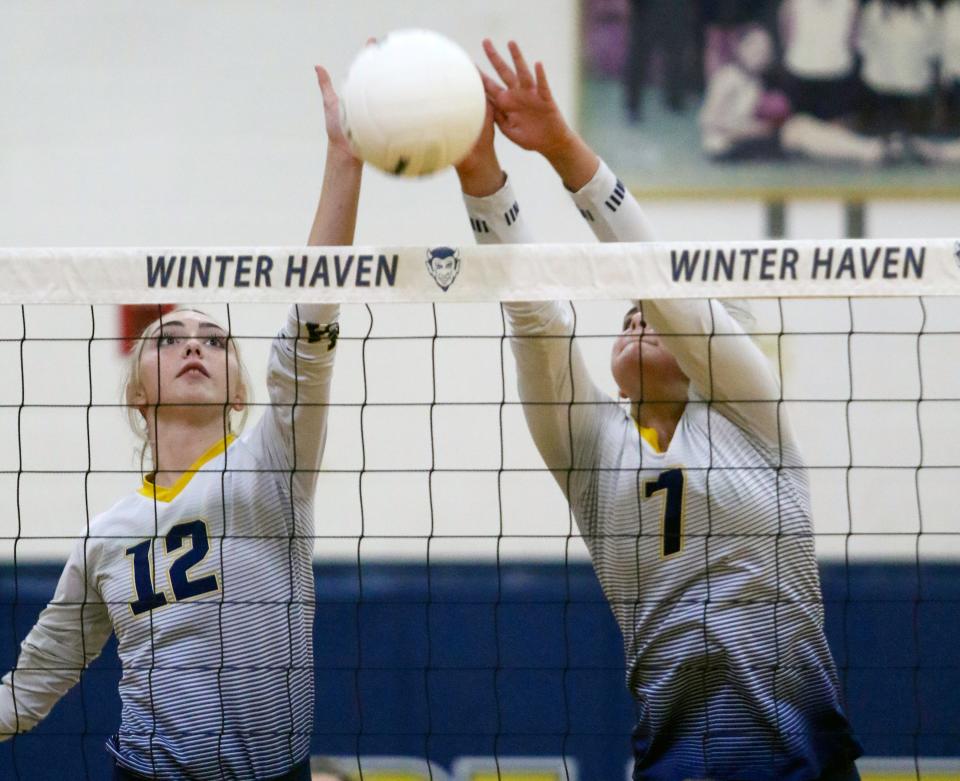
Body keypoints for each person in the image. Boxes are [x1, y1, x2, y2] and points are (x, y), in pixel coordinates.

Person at [456, 38, 863, 781]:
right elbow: (535, 315)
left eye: (655, 315)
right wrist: (479, 173)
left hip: (804, 761)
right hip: (674, 762)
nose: (638, 316)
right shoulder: (593, 446)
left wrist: (565, 147)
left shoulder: (750, 414)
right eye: (628, 315)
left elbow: (664, 285)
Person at [0, 64, 363, 780]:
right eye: (168, 337)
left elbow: (313, 312)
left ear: (239, 390)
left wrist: (344, 158)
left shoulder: (272, 463)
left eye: (215, 337)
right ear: (138, 393)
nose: (194, 342)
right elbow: (28, 689)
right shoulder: (106, 538)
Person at [700, 26, 897, 164]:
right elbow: (708, 121)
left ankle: (867, 149)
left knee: (802, 127)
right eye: (755, 48)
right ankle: (867, 150)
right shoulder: (728, 76)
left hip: (744, 138)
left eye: (765, 49)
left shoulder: (754, 80)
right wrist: (755, 130)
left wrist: (760, 128)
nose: (761, 54)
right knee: (798, 130)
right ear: (740, 48)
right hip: (724, 147)